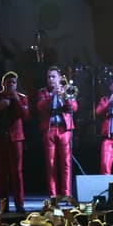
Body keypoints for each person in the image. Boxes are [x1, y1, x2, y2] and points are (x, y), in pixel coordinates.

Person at [0, 72, 30, 215]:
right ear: (3, 84)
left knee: (17, 173)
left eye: (14, 83)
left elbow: (25, 116)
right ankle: (3, 205)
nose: (12, 85)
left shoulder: (22, 98)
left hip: (16, 140)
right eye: (9, 83)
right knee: (1, 173)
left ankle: (19, 204)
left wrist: (16, 100)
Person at [36, 66, 78, 199]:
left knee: (66, 163)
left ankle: (66, 194)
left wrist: (64, 96)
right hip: (49, 129)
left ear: (60, 78)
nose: (51, 80)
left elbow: (74, 108)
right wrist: (52, 95)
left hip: (64, 129)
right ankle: (53, 195)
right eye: (49, 77)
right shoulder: (43, 92)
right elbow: (40, 107)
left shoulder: (67, 90)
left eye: (53, 77)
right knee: (51, 163)